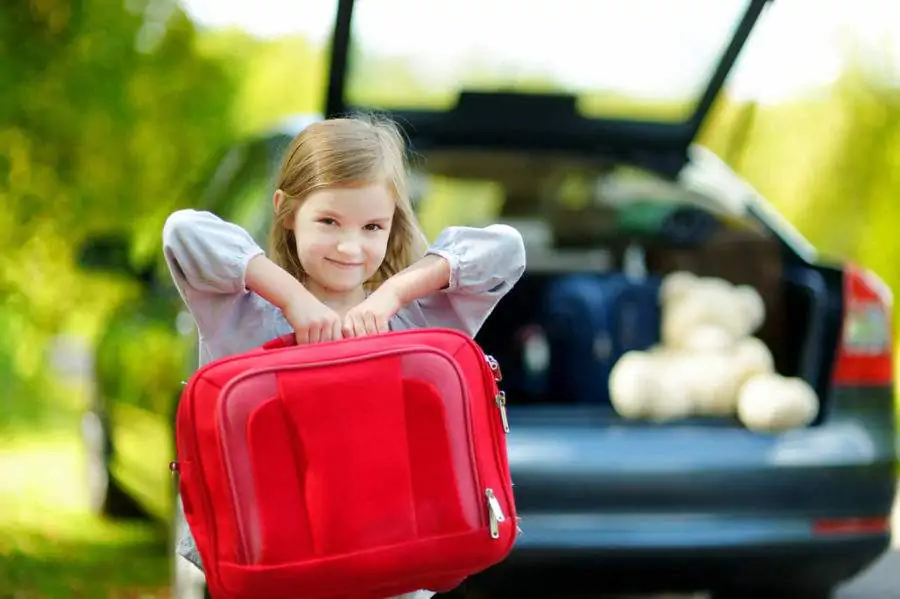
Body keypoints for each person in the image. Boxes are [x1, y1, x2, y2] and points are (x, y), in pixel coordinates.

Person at [162, 115, 526, 599]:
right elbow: (184, 231)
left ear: (393, 221)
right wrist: (292, 298)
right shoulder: (246, 314)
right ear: (286, 211)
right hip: (278, 572)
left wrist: (393, 292)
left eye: (373, 226)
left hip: (394, 574)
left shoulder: (412, 321)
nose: (351, 246)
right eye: (328, 221)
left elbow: (505, 250)